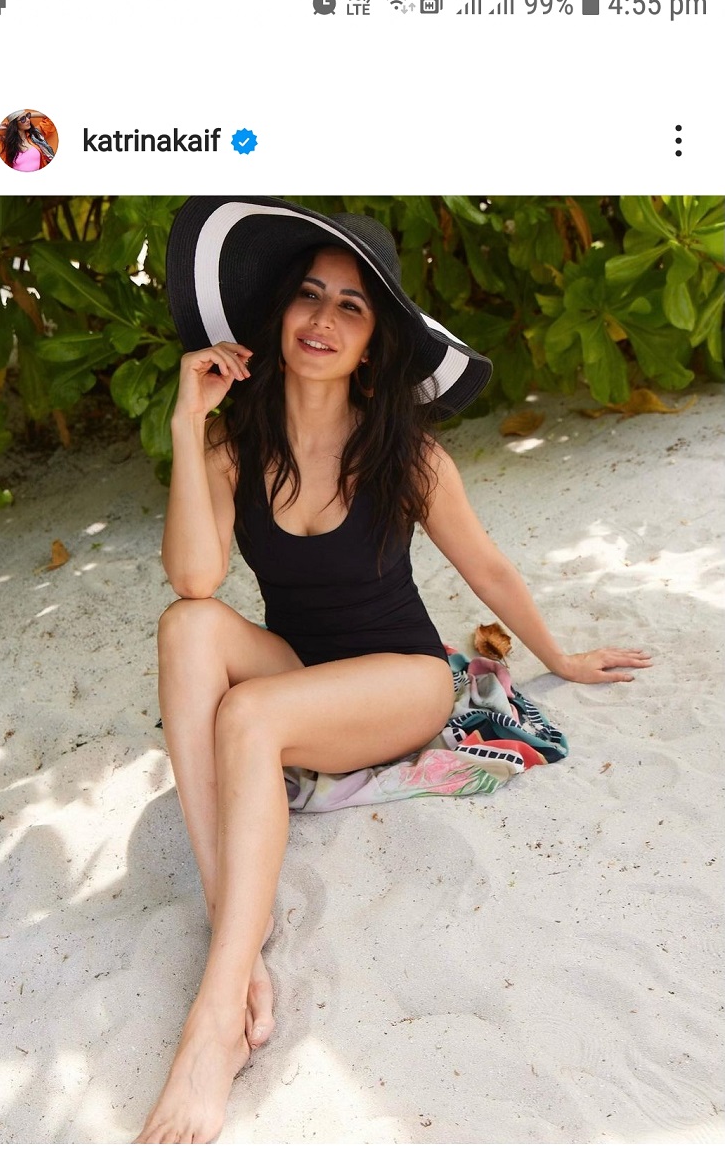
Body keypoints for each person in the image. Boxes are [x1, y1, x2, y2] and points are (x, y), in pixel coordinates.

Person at [135, 197, 651, 1144]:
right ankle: (234, 944)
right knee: (185, 628)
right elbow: (196, 580)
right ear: (277, 318)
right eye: (308, 296)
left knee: (247, 715)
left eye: (352, 307)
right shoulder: (231, 450)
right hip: (302, 675)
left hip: (402, 681)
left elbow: (486, 569)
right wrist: (184, 422)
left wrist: (562, 660)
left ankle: (213, 1025)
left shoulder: (406, 453)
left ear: (374, 343)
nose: (323, 320)